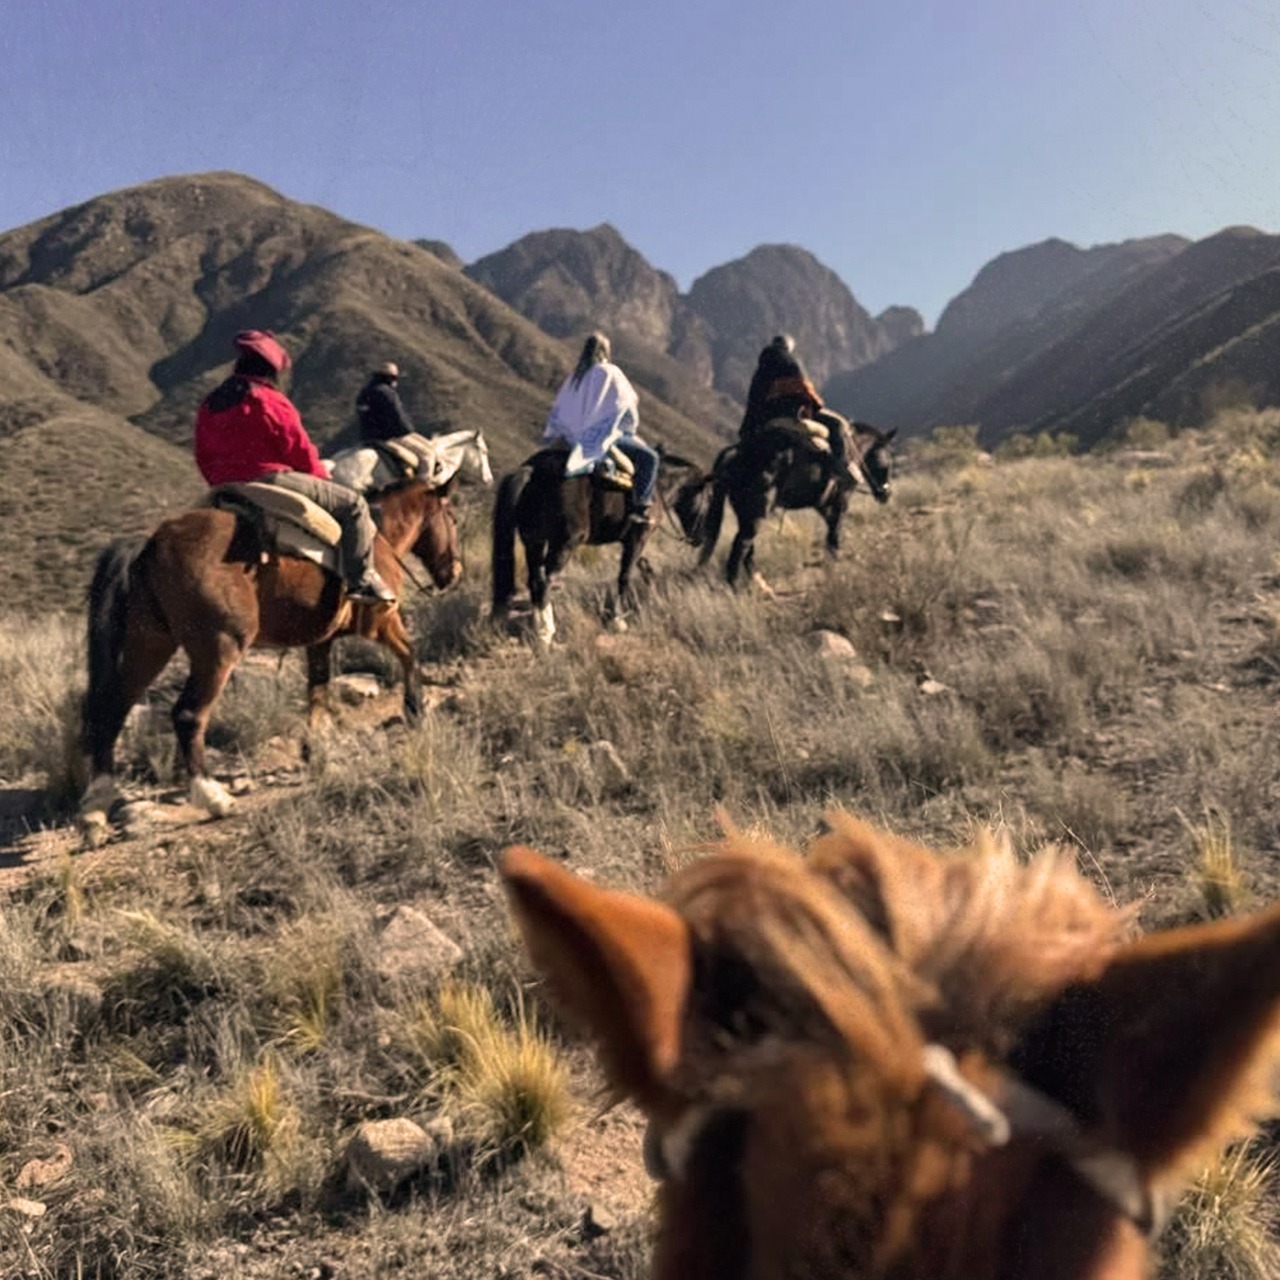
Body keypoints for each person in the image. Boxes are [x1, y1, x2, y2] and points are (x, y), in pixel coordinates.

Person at [194, 330, 396, 605]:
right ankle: (360, 582)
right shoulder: (269, 400)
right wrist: (321, 478)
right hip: (268, 478)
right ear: (271, 371)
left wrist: (220, 481)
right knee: (354, 506)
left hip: (224, 485)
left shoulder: (211, 402)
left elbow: (202, 454)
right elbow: (298, 449)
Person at [543, 332, 659, 525]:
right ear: (604, 351)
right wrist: (625, 428)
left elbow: (559, 408)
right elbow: (627, 403)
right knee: (650, 458)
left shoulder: (575, 375)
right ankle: (641, 507)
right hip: (599, 436)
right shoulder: (610, 372)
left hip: (566, 436)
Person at [740, 334, 855, 479]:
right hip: (792, 413)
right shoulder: (790, 362)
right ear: (789, 347)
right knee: (836, 425)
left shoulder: (760, 370)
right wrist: (817, 405)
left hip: (759, 419)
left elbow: (754, 400)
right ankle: (837, 467)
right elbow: (804, 388)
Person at [356, 360, 417, 444]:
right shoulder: (387, 393)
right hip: (386, 438)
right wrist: (408, 430)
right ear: (390, 378)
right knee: (423, 450)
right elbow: (398, 416)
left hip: (367, 437)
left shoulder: (365, 392)